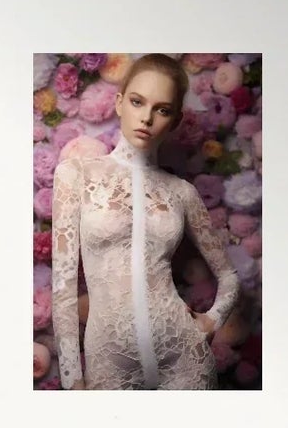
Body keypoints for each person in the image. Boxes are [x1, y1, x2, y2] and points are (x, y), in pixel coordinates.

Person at [49, 54, 239, 390]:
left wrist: (212, 320)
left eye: (162, 109)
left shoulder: (182, 192)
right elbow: (63, 291)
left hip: (184, 357)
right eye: (138, 102)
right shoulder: (76, 175)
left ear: (176, 120)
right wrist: (71, 381)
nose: (147, 118)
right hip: (110, 361)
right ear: (120, 103)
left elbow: (229, 275)